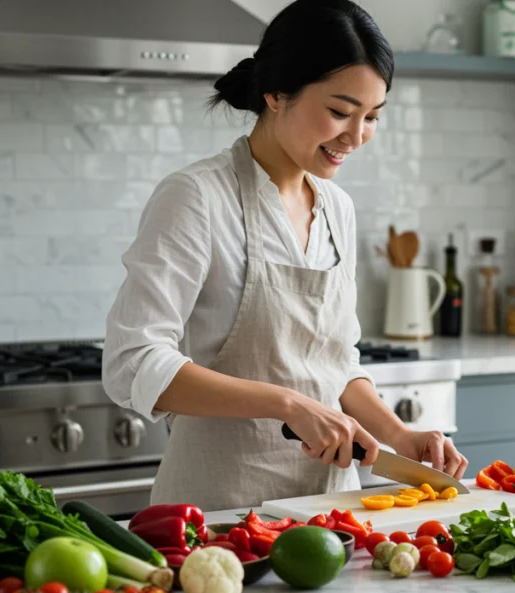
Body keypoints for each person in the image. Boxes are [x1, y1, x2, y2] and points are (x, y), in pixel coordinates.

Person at [102, 0, 467, 511]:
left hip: (331, 513)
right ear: (276, 93)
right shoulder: (197, 197)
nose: (356, 136)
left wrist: (398, 437)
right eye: (340, 112)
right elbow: (133, 362)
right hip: (220, 515)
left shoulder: (337, 208)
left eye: (372, 117)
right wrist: (287, 404)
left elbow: (335, 364)